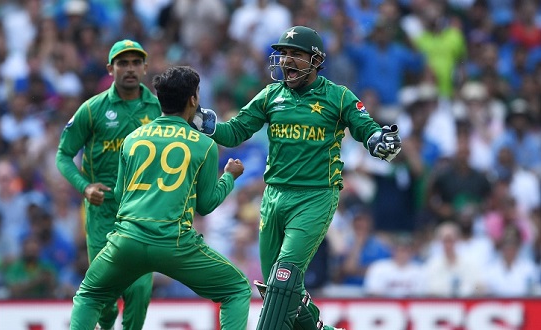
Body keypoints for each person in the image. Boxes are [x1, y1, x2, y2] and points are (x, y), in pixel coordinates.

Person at [192, 25, 401, 330]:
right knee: (276, 291)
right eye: (283, 54)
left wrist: (378, 140)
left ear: (316, 60)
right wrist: (204, 121)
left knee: (283, 277)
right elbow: (235, 131)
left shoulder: (338, 96)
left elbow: (366, 128)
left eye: (295, 54)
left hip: (315, 197)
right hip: (274, 196)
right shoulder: (270, 95)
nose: (287, 60)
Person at [69, 66, 251, 329]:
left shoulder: (131, 140)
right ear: (193, 100)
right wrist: (229, 177)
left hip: (127, 241)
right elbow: (206, 204)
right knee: (236, 289)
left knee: (89, 296)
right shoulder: (204, 144)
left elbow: (120, 195)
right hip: (173, 244)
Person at [56, 39, 161, 330]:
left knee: (140, 291)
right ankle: (105, 323)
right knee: (104, 296)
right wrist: (84, 187)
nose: (130, 69)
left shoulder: (159, 109)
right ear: (110, 68)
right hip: (103, 214)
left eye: (135, 62)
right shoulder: (92, 109)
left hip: (144, 212)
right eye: (122, 63)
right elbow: (64, 155)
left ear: (145, 67)